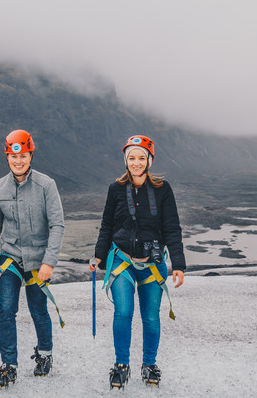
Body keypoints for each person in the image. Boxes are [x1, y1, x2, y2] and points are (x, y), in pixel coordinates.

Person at [89, 135, 186, 389]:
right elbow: (107, 225)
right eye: (132, 158)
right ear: (126, 160)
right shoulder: (115, 189)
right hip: (122, 261)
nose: (136, 163)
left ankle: (149, 363)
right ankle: (122, 364)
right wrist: (99, 255)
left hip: (152, 265)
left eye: (141, 158)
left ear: (149, 161)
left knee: (151, 317)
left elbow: (172, 228)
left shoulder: (163, 189)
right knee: (123, 312)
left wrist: (178, 264)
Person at [0, 129, 65, 387]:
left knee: (38, 310)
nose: (19, 161)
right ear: (7, 157)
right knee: (6, 309)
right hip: (10, 258)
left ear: (30, 155)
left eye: (24, 156)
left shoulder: (46, 185)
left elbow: (57, 225)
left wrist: (49, 262)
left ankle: (45, 354)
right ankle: (9, 365)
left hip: (39, 260)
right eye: (13, 156)